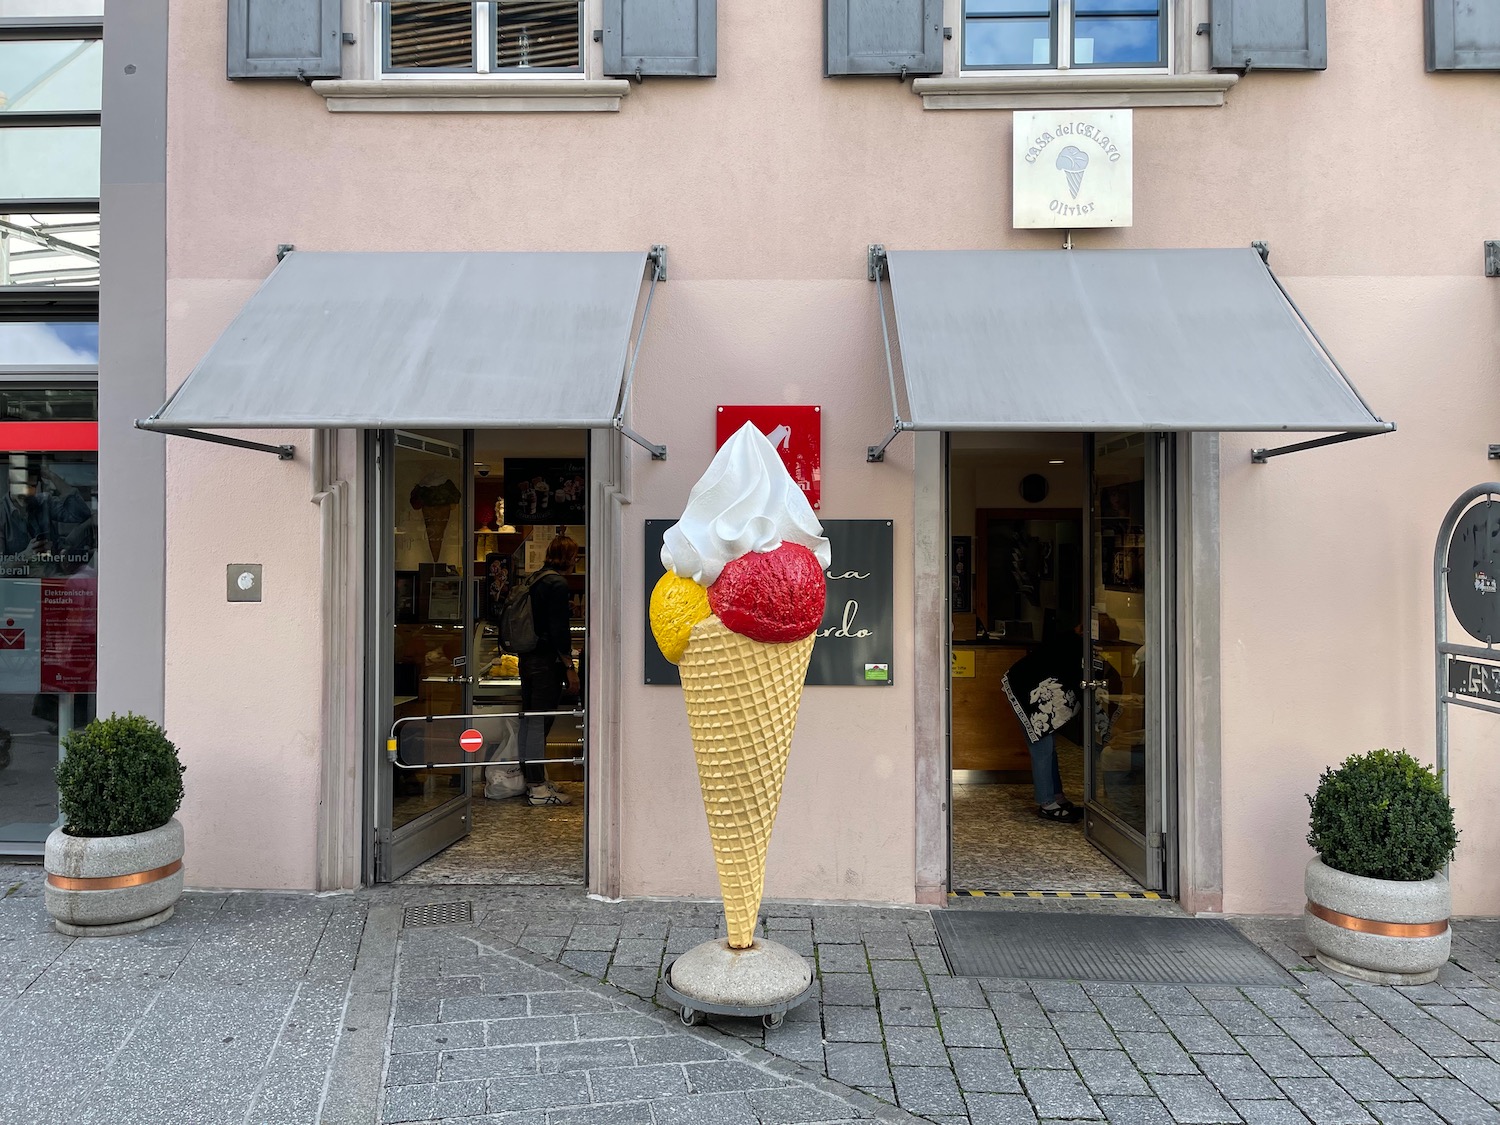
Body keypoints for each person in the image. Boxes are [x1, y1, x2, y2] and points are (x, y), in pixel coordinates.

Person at [1000, 611, 1118, 823]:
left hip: (1027, 687)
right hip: (1027, 692)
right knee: (1042, 748)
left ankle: (1056, 796)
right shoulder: (1074, 648)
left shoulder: (1072, 640)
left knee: (1048, 748)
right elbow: (1082, 684)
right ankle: (1047, 804)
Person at [517, 534, 579, 807]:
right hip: (546, 662)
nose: (577, 560)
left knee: (530, 722)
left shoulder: (535, 579)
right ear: (568, 557)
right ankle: (538, 788)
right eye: (575, 555)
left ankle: (532, 776)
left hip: (528, 659)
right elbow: (558, 630)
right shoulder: (557, 583)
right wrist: (569, 666)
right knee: (540, 724)